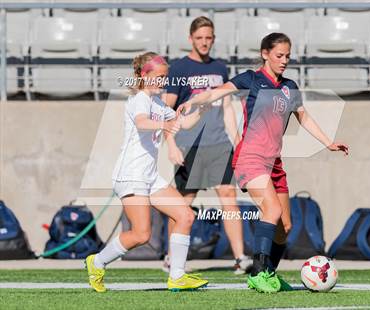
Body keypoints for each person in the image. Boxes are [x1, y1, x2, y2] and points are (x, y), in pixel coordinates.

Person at [176, 32, 349, 293]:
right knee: (272, 210)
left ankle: (268, 273)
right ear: (265, 54)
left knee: (285, 226)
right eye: (279, 55)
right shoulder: (251, 79)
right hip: (250, 158)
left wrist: (328, 142)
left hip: (274, 163)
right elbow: (215, 93)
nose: (284, 60)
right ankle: (257, 273)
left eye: (288, 56)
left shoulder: (290, 86)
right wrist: (191, 101)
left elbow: (304, 117)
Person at [85, 52, 208, 292]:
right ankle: (97, 262)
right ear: (144, 76)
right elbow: (142, 122)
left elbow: (184, 123)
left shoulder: (159, 104)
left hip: (149, 176)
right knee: (141, 234)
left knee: (185, 216)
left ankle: (177, 276)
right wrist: (165, 124)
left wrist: (202, 108)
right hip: (131, 175)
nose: (164, 81)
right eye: (160, 77)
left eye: (166, 77)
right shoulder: (139, 100)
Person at [163, 16, 252, 273]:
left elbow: (226, 108)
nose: (204, 42)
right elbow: (167, 111)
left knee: (228, 196)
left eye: (208, 38)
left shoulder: (221, 68)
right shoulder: (179, 69)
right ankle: (172, 257)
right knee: (183, 202)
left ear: (213, 39)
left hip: (218, 145)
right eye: (199, 38)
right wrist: (171, 144)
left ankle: (240, 258)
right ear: (190, 39)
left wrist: (237, 142)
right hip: (188, 145)